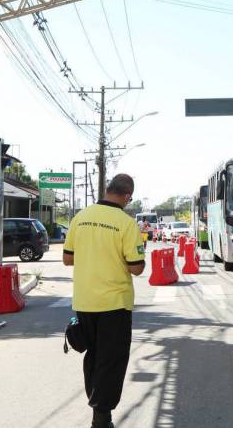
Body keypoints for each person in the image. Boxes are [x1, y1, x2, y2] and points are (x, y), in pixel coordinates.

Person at [63, 174, 146, 428]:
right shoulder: (126, 223)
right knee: (111, 361)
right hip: (115, 305)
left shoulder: (81, 218)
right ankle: (101, 418)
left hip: (85, 302)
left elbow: (67, 259)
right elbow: (136, 268)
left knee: (93, 357)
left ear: (108, 190)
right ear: (127, 196)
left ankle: (97, 409)